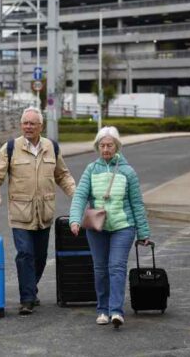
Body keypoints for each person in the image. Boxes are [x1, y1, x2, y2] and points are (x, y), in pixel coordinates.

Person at [0, 106, 76, 315]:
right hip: (20, 213)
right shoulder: (10, 148)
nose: (28, 127)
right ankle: (26, 298)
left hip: (44, 214)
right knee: (25, 254)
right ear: (21, 125)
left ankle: (31, 289)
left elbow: (63, 175)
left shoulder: (51, 147)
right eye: (25, 123)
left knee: (40, 257)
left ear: (40, 126)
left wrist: (77, 195)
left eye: (32, 123)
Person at [69, 126, 150, 328]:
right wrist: (74, 220)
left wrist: (143, 232)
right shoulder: (91, 169)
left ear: (117, 146)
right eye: (102, 145)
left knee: (116, 267)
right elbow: (80, 196)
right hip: (97, 228)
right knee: (100, 269)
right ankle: (102, 310)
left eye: (109, 145)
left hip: (123, 226)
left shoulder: (127, 171)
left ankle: (116, 311)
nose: (106, 149)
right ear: (97, 147)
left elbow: (137, 204)